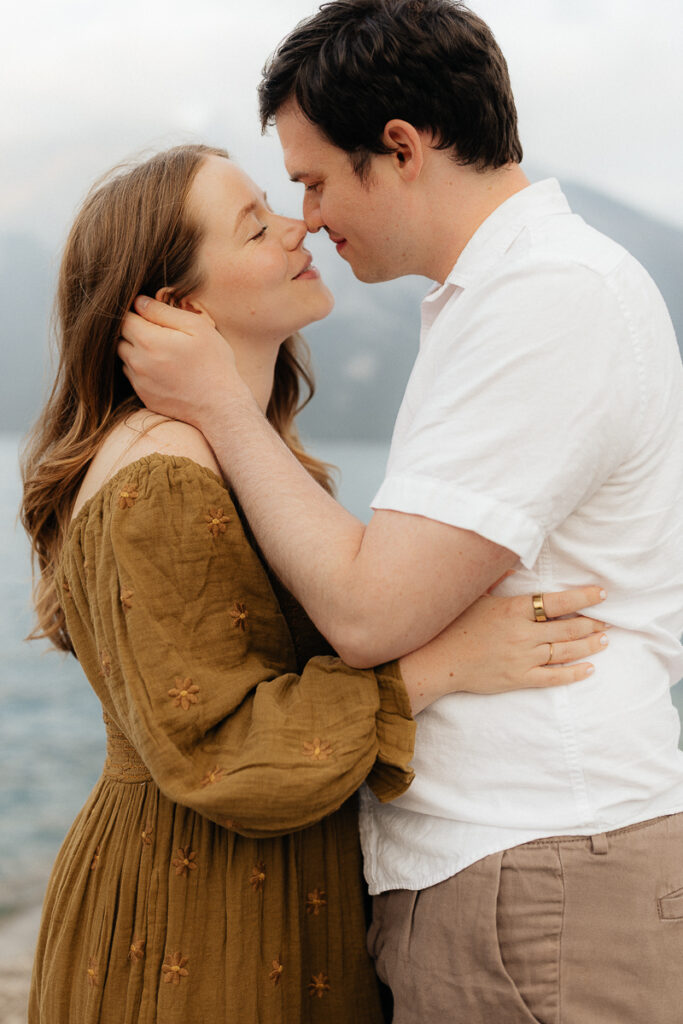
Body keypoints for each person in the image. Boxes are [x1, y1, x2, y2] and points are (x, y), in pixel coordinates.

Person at [118, 1, 683, 1022]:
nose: (310, 216)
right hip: (517, 868)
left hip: (535, 868)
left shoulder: (546, 300)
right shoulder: (498, 299)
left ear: (401, 148)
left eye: (313, 179)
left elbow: (370, 611)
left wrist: (214, 406)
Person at [20, 143, 605, 1024]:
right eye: (256, 226)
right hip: (200, 917)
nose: (300, 226)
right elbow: (219, 756)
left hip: (246, 891)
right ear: (181, 309)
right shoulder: (164, 473)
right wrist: (445, 663)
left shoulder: (233, 456)